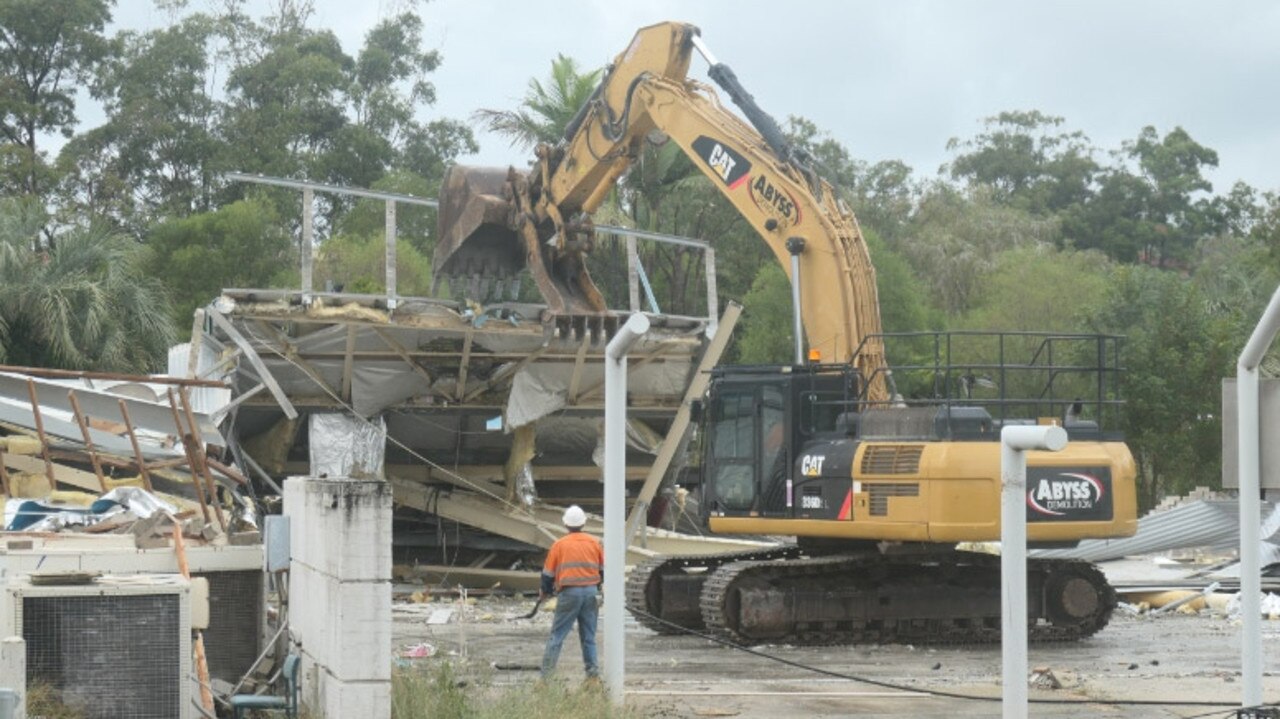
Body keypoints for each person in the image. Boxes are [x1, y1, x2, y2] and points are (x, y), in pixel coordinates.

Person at [540, 505, 603, 679]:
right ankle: (593, 678)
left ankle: (545, 679)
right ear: (584, 523)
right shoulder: (594, 543)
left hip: (569, 594)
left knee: (557, 637)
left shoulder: (559, 545)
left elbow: (548, 574)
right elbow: (602, 571)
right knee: (589, 638)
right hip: (591, 593)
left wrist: (544, 591)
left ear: (565, 524)